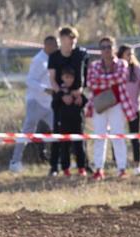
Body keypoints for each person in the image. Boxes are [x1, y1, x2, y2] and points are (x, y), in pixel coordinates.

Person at [85, 36, 134, 180]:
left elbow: (120, 78)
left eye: (109, 46)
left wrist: (102, 80)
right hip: (99, 104)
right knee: (100, 136)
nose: (106, 50)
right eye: (103, 47)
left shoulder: (122, 63)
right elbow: (91, 83)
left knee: (118, 135)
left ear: (114, 48)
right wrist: (110, 81)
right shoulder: (94, 65)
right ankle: (99, 168)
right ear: (100, 50)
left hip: (117, 104)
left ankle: (121, 168)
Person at [8, 36, 58, 173]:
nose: (57, 48)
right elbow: (30, 81)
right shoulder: (38, 60)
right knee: (27, 132)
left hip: (49, 104)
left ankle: (58, 161)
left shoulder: (54, 59)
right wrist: (45, 89)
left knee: (58, 131)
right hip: (35, 102)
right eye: (55, 45)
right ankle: (15, 161)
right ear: (47, 45)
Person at [48, 26, 89, 177]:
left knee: (80, 134)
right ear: (61, 40)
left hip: (77, 98)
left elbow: (85, 76)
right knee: (59, 135)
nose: (70, 42)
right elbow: (52, 79)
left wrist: (79, 92)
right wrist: (61, 94)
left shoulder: (81, 54)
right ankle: (55, 166)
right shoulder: (54, 57)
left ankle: (84, 166)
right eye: (67, 38)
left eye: (73, 38)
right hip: (60, 99)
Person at [117, 44, 140, 175]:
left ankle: (137, 164)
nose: (130, 56)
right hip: (119, 107)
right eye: (127, 54)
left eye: (131, 54)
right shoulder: (117, 68)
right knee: (118, 136)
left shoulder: (136, 69)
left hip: (134, 107)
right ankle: (120, 163)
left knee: (135, 136)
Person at [51, 67, 88, 176]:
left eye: (71, 77)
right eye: (67, 77)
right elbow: (53, 105)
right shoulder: (59, 91)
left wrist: (80, 99)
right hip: (64, 123)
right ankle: (65, 168)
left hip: (77, 123)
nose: (69, 80)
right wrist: (61, 98)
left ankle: (82, 167)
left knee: (79, 146)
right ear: (62, 78)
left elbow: (85, 101)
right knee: (64, 147)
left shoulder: (77, 90)